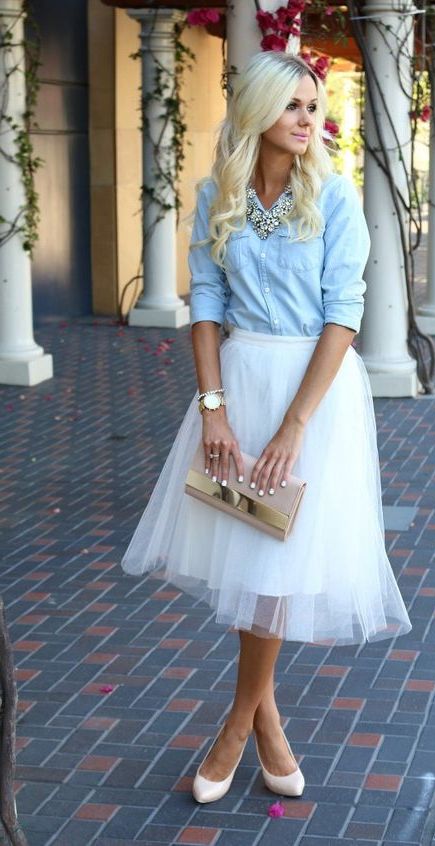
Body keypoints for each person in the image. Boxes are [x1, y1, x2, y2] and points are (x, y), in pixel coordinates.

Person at [120, 49, 411, 806]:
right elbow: (207, 305)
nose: (308, 119)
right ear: (258, 111)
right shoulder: (216, 192)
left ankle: (236, 729)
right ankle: (268, 725)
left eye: (314, 107)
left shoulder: (337, 197)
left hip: (314, 399)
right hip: (238, 389)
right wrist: (212, 410)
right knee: (254, 560)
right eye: (293, 106)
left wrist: (292, 428)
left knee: (275, 571)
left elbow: (344, 314)